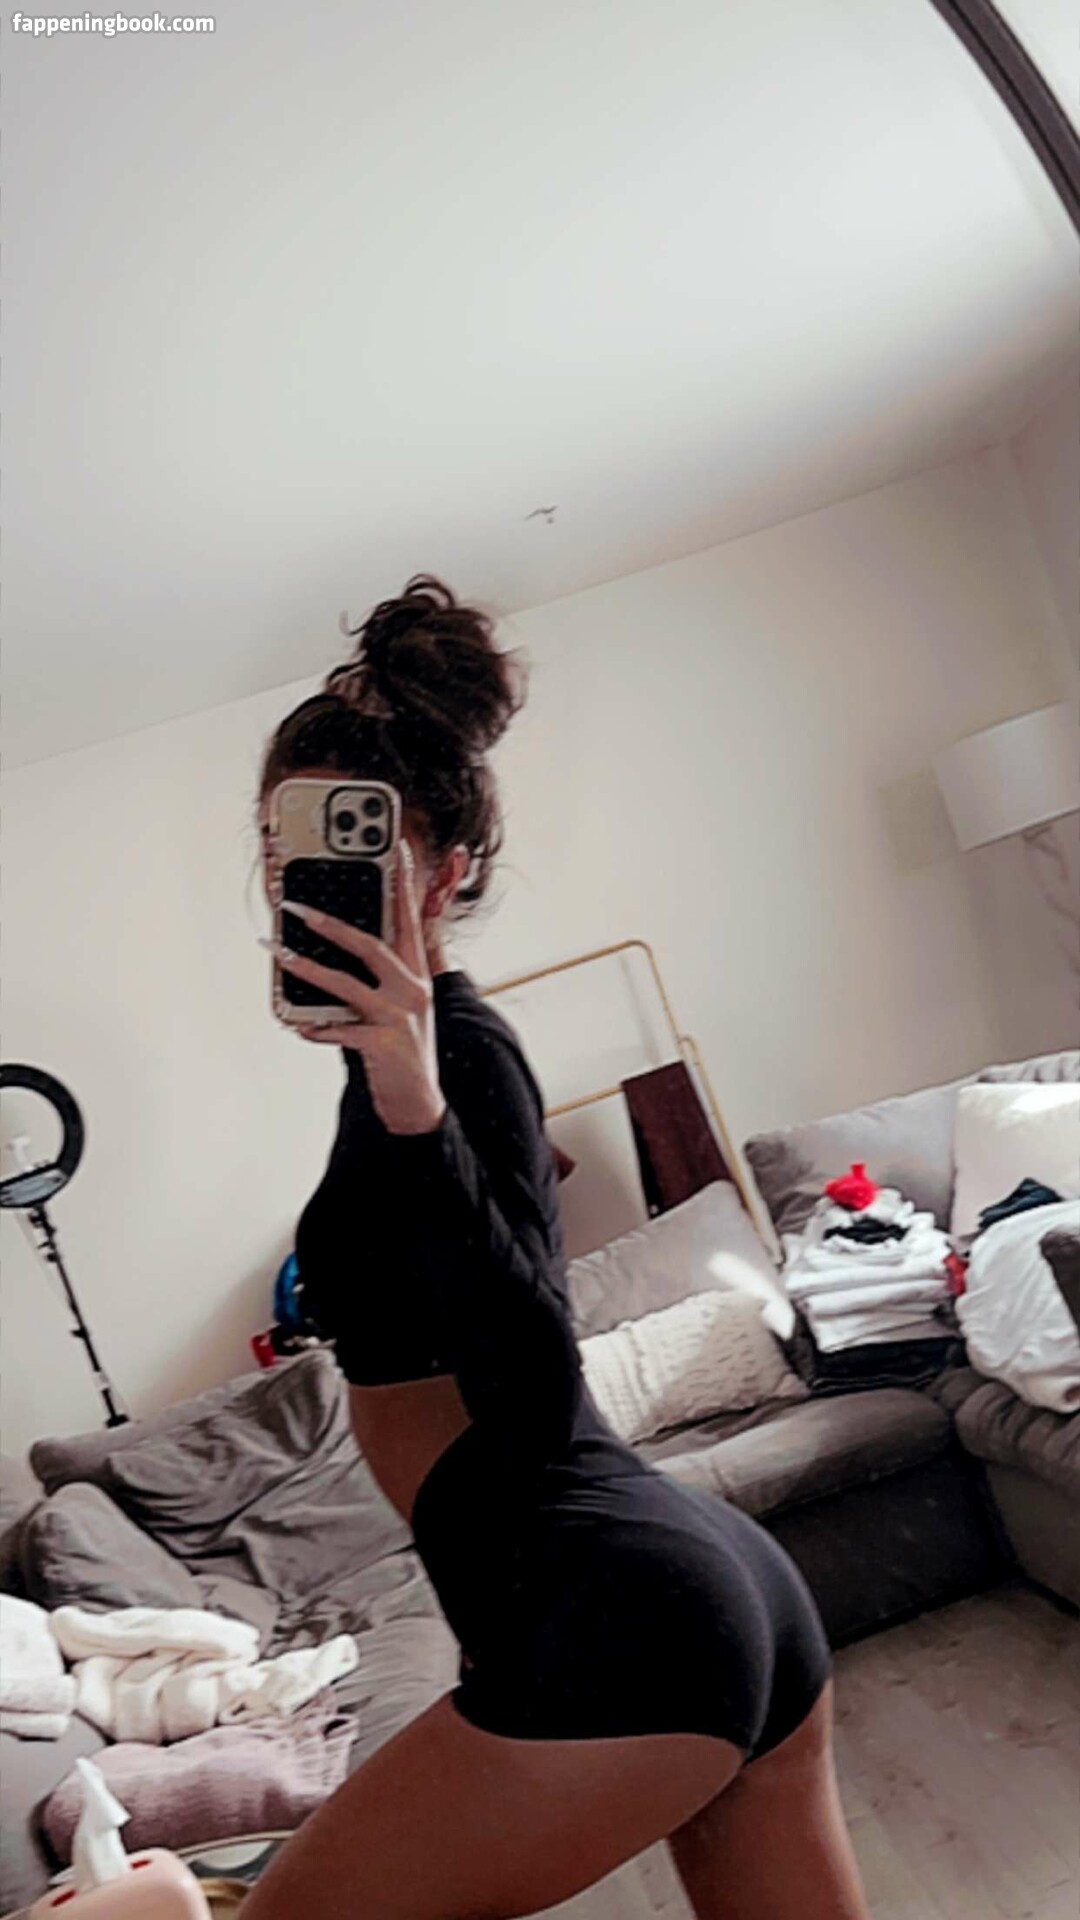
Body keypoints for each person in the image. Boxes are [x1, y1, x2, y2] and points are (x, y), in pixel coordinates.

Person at [242, 576, 871, 1920]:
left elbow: (531, 1382)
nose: (304, 888)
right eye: (284, 852)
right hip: (667, 1588)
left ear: (445, 874)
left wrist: (417, 1104)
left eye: (357, 851)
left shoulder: (457, 1059)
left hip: (618, 1607)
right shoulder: (396, 1078)